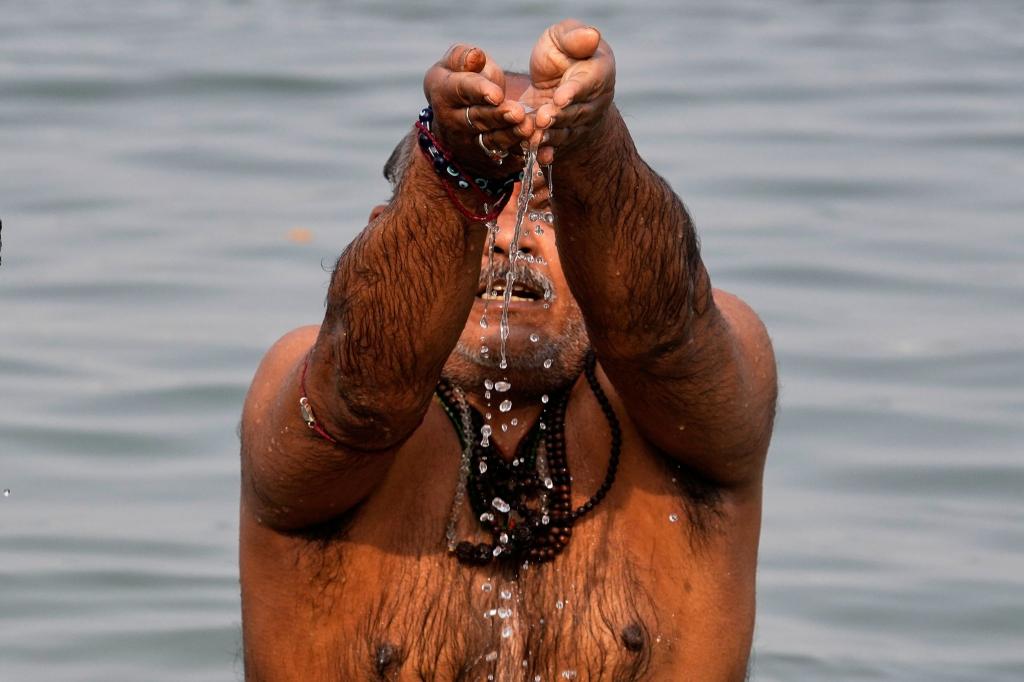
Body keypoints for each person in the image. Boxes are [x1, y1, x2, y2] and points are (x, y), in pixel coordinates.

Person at [239, 19, 777, 681]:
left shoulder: (695, 393)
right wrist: (452, 172)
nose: (508, 238)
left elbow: (663, 341)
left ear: (595, 237)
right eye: (487, 204)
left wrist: (592, 144)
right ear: (390, 232)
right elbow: (363, 400)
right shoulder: (300, 390)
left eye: (547, 209)